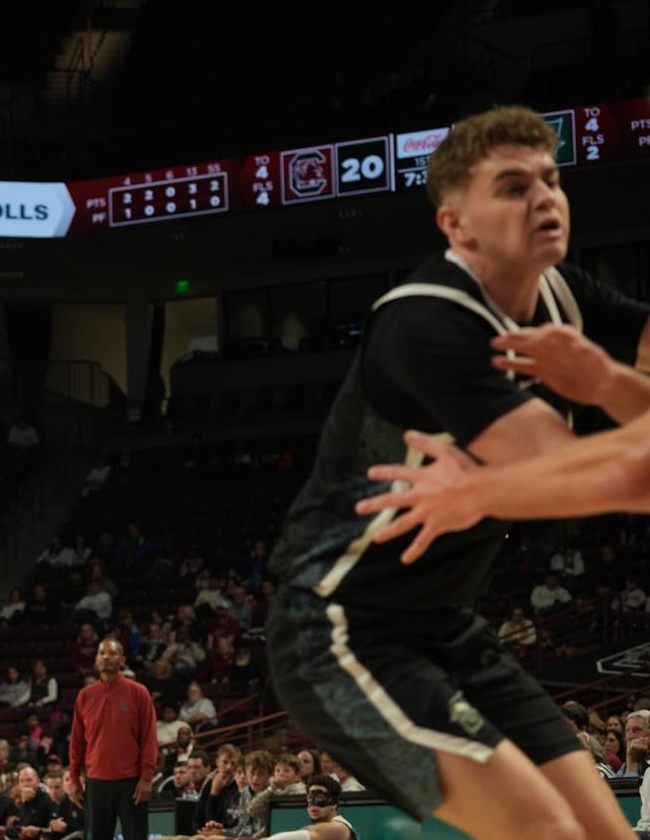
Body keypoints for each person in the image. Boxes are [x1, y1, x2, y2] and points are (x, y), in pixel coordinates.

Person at [264, 104, 648, 840]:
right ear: (455, 225)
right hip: (339, 632)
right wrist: (602, 394)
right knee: (548, 834)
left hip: (444, 625)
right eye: (512, 186)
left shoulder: (566, 295)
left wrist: (600, 383)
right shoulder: (426, 322)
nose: (544, 197)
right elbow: (575, 472)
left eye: (551, 178)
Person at [65, 638, 156, 840]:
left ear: (122, 659)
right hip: (96, 782)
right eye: (101, 653)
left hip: (131, 783)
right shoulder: (85, 696)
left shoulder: (138, 692)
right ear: (96, 660)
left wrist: (146, 778)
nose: (106, 657)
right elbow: (77, 742)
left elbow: (149, 738)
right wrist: (73, 778)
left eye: (112, 653)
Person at [194, 775, 356, 840]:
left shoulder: (340, 828)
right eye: (309, 798)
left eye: (319, 798)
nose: (313, 804)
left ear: (334, 803)